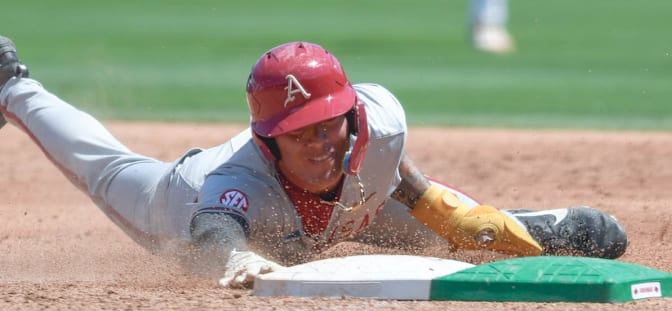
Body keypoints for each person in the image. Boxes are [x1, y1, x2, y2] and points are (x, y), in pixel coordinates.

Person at [0, 36, 627, 288]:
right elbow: (218, 230)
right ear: (270, 140)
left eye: (331, 125)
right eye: (302, 134)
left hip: (347, 214)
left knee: (471, 233)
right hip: (185, 208)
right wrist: (237, 258)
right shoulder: (228, 184)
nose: (323, 142)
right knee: (104, 168)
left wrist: (445, 210)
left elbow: (398, 170)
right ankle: (12, 84)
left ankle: (542, 223)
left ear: (351, 115)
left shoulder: (378, 121)